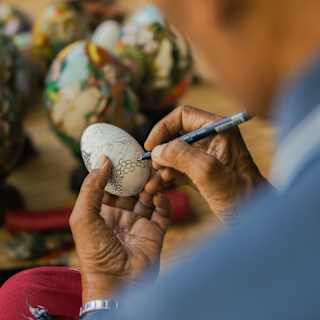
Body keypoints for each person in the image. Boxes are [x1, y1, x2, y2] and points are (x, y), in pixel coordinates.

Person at [3, 0, 320, 318]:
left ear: (206, 8)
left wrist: (106, 294)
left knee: (17, 302)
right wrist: (254, 204)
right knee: (22, 295)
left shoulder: (193, 299)